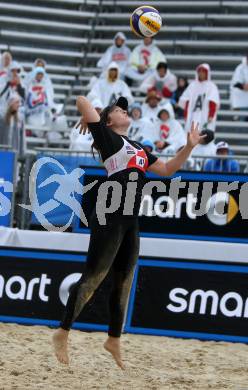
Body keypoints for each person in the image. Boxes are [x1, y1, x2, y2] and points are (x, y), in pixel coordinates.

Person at [52, 95, 205, 369]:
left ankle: (113, 338)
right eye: (120, 110)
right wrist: (92, 116)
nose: (125, 111)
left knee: (124, 281)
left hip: (130, 219)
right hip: (109, 214)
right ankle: (62, 332)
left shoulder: (140, 148)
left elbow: (169, 169)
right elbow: (81, 99)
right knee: (94, 277)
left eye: (125, 109)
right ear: (110, 120)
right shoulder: (109, 140)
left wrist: (189, 147)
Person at [179, 63, 220, 133]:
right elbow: (186, 101)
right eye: (199, 71)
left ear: (207, 73)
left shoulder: (211, 86)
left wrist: (211, 116)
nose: (201, 74)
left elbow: (213, 102)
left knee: (204, 135)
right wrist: (186, 115)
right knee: (191, 134)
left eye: (203, 72)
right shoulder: (192, 85)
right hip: (193, 114)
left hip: (205, 114)